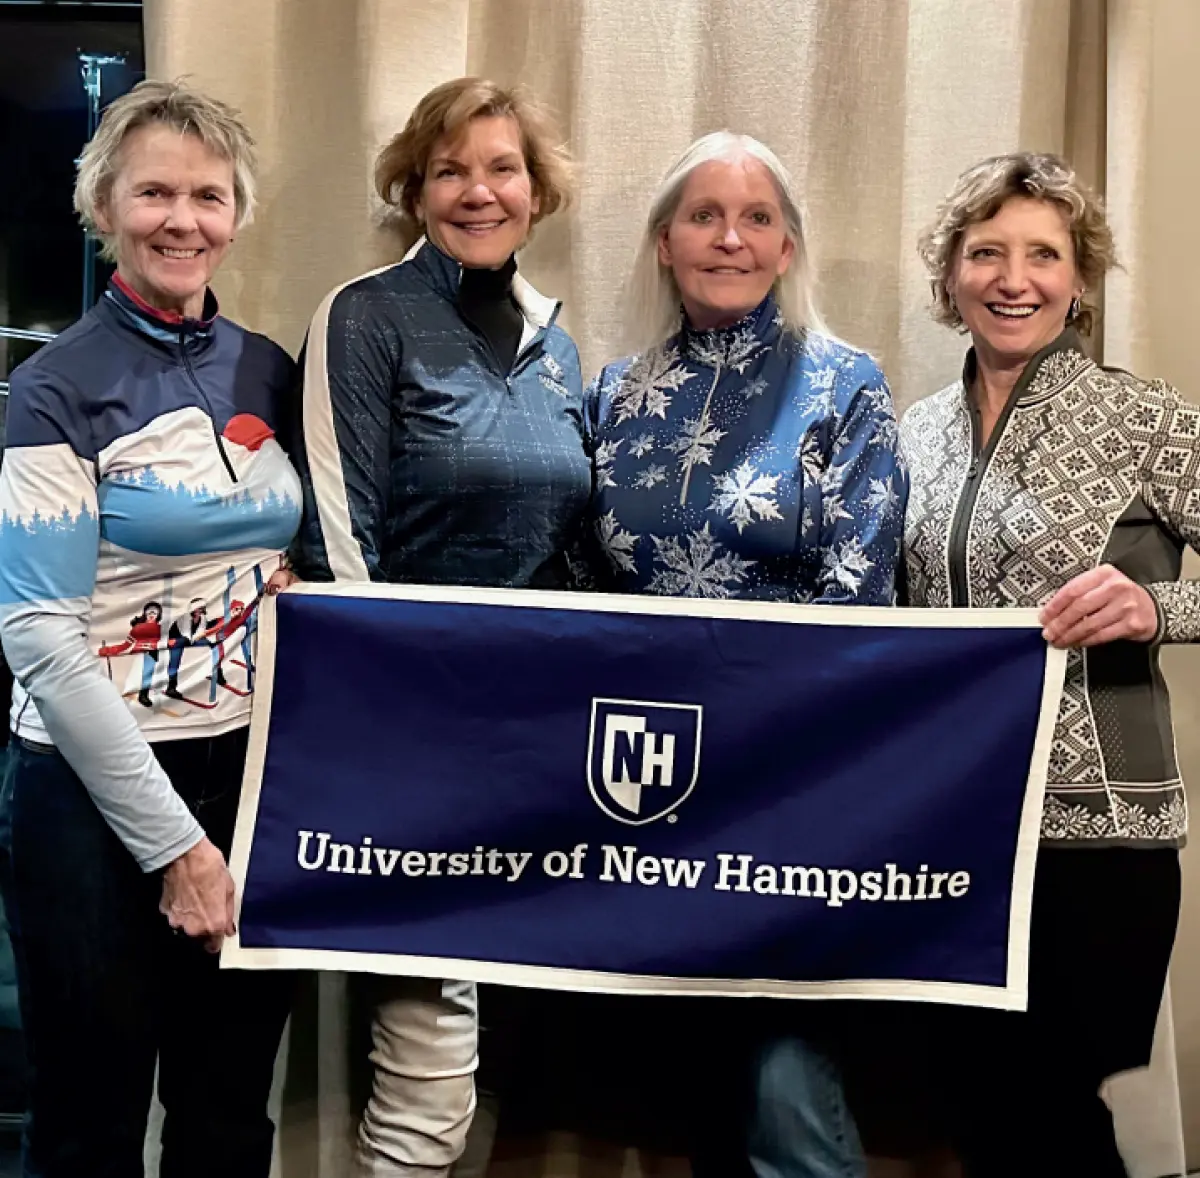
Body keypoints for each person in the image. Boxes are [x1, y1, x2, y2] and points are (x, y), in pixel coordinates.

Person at [585, 131, 907, 1177]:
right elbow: (589, 584)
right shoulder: (615, 391)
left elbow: (862, 586)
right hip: (652, 776)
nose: (730, 237)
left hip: (789, 772)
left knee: (786, 1081)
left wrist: (766, 742)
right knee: (691, 1078)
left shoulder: (844, 384)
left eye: (757, 217)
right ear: (664, 243)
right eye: (705, 216)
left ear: (787, 246)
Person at [0, 79, 301, 1177]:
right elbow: (38, 637)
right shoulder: (48, 388)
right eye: (156, 193)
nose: (184, 219)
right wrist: (175, 846)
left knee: (229, 1117)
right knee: (91, 1124)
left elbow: (283, 559)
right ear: (105, 205)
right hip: (90, 793)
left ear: (237, 212)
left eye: (209, 195)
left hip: (248, 775)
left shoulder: (268, 364)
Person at [287, 77, 587, 1175]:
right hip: (413, 724)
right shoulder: (366, 315)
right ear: (413, 188)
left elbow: (569, 542)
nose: (477, 191)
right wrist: (402, 710)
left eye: (501, 167)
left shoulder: (559, 345)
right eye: (450, 169)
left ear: (536, 190)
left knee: (512, 1040)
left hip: (539, 731)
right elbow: (335, 530)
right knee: (431, 1033)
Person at [900, 151, 1194, 1177]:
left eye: (1042, 254)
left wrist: (1154, 606)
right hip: (957, 829)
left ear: (1078, 279)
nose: (1012, 277)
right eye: (986, 252)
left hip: (1100, 833)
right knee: (979, 1109)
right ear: (949, 277)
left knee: (1065, 1111)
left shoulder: (1147, 417)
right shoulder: (914, 436)